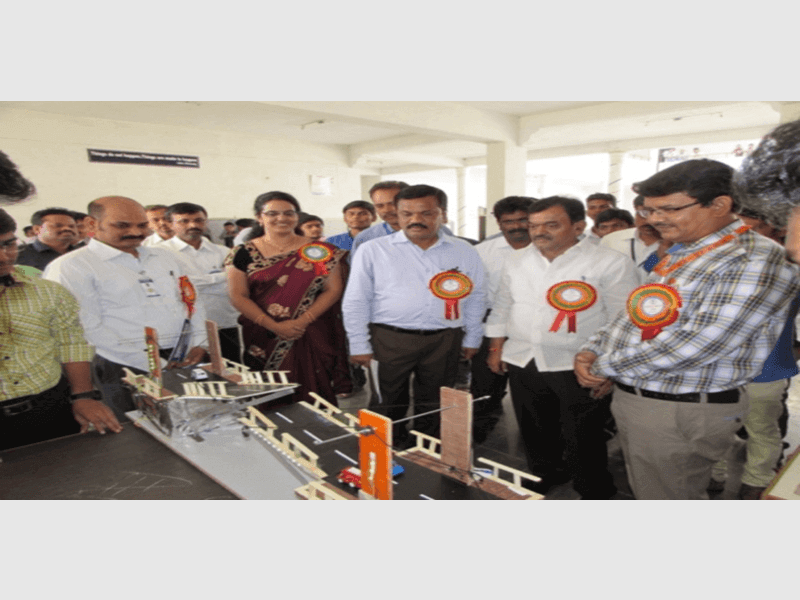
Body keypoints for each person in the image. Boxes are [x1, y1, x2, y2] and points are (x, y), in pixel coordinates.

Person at [574, 159, 800, 500]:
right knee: (653, 490)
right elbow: (637, 314)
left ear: (720, 205)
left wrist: (604, 365)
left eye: (668, 209)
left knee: (668, 497)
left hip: (680, 407)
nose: (654, 219)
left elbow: (699, 345)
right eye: (649, 210)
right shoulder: (688, 250)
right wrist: (593, 348)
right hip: (647, 396)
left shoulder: (753, 258)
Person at [486, 197, 639, 498]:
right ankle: (545, 474)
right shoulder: (517, 260)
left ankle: (592, 488)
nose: (539, 232)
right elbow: (503, 304)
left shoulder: (609, 262)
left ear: (578, 227)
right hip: (523, 358)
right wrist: (495, 348)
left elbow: (623, 319)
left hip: (578, 363)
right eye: (534, 225)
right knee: (533, 427)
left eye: (551, 225)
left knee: (583, 432)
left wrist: (607, 367)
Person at [343, 184, 486, 445]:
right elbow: (356, 300)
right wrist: (358, 343)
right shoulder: (373, 249)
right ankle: (384, 450)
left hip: (445, 339)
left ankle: (427, 450)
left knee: (435, 401)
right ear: (397, 214)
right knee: (385, 401)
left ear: (443, 214)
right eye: (407, 213)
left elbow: (477, 295)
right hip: (389, 338)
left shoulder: (464, 250)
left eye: (426, 213)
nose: (415, 220)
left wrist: (472, 337)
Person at [43, 197, 208, 422]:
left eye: (142, 225)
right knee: (139, 429)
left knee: (191, 421)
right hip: (120, 365)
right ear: (91, 224)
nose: (135, 232)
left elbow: (192, 301)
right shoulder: (71, 266)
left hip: (181, 358)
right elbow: (85, 328)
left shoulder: (166, 257)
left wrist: (199, 343)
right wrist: (153, 364)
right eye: (122, 225)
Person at [0, 208, 121, 450]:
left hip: (49, 406)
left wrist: (83, 396)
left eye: (8, 245)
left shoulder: (46, 291)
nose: (4, 257)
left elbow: (71, 344)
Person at [225, 191, 352, 405]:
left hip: (311, 331)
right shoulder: (242, 253)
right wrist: (274, 326)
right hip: (263, 334)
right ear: (259, 217)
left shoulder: (318, 251)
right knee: (267, 394)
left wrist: (302, 321)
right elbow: (238, 296)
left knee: (315, 394)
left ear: (296, 216)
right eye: (272, 213)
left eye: (289, 213)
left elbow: (332, 290)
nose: (281, 218)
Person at [708, 208, 798, 500]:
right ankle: (715, 475)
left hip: (767, 366)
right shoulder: (716, 261)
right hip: (716, 367)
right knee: (717, 426)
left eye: (755, 228)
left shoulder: (790, 266)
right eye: (738, 229)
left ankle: (757, 481)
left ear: (777, 229)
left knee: (762, 427)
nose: (745, 236)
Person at [470, 196, 536, 432]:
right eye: (509, 221)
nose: (516, 226)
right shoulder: (482, 251)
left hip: (533, 323)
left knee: (529, 382)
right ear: (499, 223)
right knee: (485, 381)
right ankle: (481, 428)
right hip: (491, 321)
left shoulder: (548, 248)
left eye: (523, 220)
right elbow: (473, 293)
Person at [162, 202, 242, 363]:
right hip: (184, 329)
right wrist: (220, 277)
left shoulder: (223, 251)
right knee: (190, 374)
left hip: (225, 323)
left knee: (232, 371)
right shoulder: (160, 253)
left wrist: (192, 281)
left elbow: (236, 283)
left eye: (198, 220)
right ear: (170, 224)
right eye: (184, 221)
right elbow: (173, 287)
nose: (193, 225)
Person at [601, 195, 664, 282]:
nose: (649, 221)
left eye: (658, 213)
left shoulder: (676, 244)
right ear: (635, 211)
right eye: (644, 213)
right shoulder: (611, 240)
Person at [15, 207, 81, 272]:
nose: (67, 229)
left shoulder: (82, 251)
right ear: (37, 229)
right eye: (58, 225)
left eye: (72, 226)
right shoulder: (18, 256)